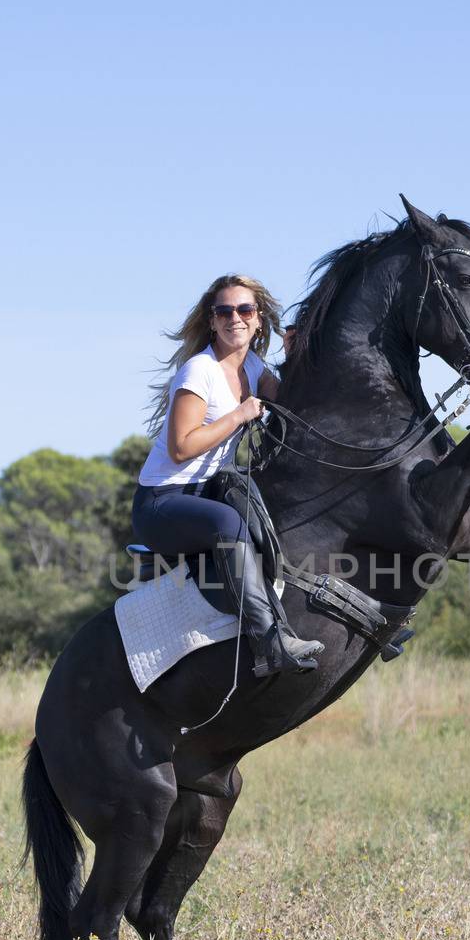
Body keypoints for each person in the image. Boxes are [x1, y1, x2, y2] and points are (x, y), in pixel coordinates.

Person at [132, 275, 324, 678]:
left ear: (259, 321)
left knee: (267, 504)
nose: (234, 318)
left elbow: (292, 405)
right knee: (228, 522)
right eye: (225, 311)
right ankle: (270, 641)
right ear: (213, 321)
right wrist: (239, 414)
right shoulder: (198, 372)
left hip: (205, 492)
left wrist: (293, 359)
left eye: (245, 310)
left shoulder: (252, 366)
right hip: (162, 503)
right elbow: (180, 447)